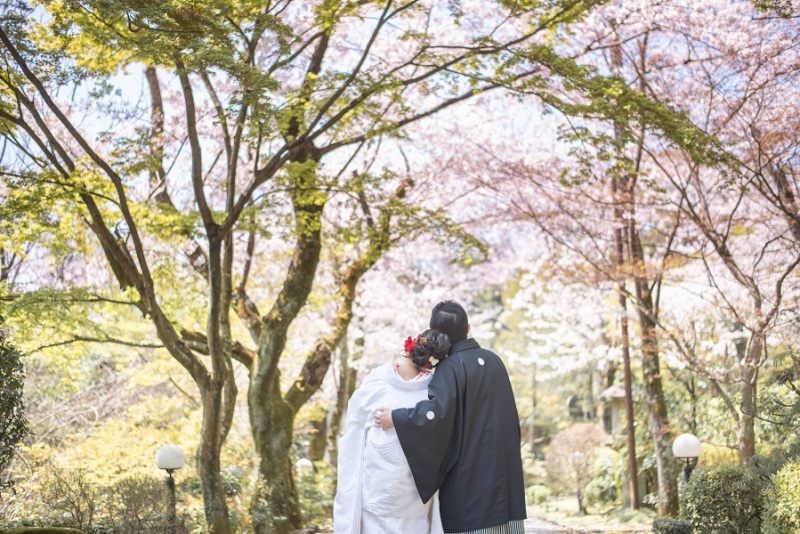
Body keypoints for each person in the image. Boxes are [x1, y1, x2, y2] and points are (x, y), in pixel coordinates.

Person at [375, 300, 527, 534]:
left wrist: (397, 418)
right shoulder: (495, 361)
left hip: (470, 487)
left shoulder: (449, 368)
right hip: (504, 478)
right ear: (468, 328)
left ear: (436, 334)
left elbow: (435, 416)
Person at [333, 329, 449, 534]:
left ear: (409, 348)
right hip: (410, 491)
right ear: (431, 362)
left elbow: (355, 425)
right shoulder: (432, 391)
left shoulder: (378, 380)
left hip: (383, 484)